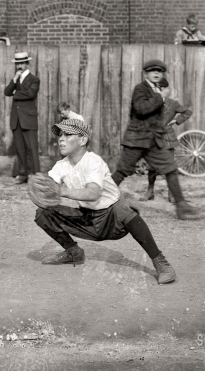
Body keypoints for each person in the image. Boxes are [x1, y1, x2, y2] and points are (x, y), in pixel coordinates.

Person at [32, 119, 177, 285]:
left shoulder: (93, 161)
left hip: (112, 220)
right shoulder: (61, 165)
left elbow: (93, 193)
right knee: (43, 213)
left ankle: (162, 263)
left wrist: (60, 191)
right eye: (60, 135)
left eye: (67, 134)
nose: (61, 139)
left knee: (122, 207)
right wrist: (40, 192)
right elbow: (48, 188)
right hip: (87, 219)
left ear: (83, 140)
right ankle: (73, 252)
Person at [111, 60, 199, 220]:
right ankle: (96, 202)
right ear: (146, 74)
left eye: (159, 71)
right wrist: (160, 97)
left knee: (170, 168)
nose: (156, 74)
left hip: (153, 141)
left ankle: (182, 207)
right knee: (122, 171)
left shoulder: (156, 91)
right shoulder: (141, 89)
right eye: (153, 71)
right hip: (136, 140)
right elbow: (141, 109)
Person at [141, 77, 192, 202]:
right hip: (152, 138)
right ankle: (150, 191)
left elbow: (187, 112)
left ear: (162, 89)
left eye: (155, 88)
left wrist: (176, 121)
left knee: (170, 167)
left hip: (167, 139)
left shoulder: (172, 103)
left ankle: (172, 194)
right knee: (151, 167)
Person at [4, 52, 40, 185]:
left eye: (22, 63)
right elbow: (7, 92)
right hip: (17, 120)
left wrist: (16, 94)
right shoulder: (16, 79)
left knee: (32, 148)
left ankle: (36, 176)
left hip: (28, 119)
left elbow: (31, 94)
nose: (20, 65)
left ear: (27, 64)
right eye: (18, 63)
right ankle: (23, 174)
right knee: (20, 148)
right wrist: (14, 80)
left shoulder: (34, 79)